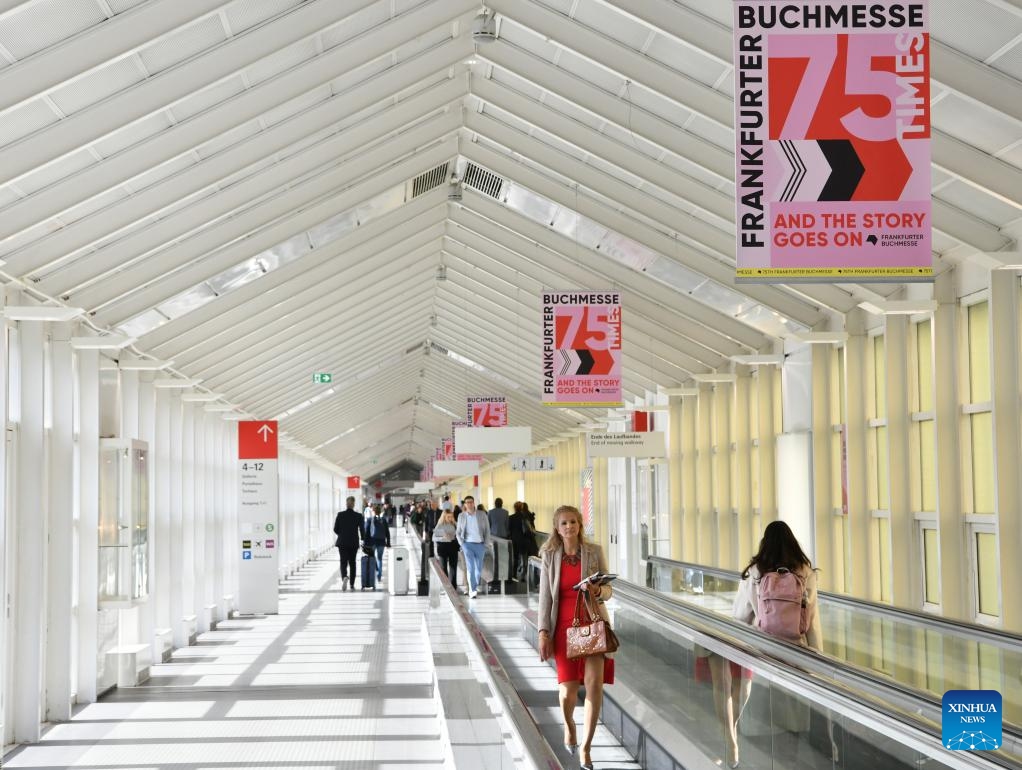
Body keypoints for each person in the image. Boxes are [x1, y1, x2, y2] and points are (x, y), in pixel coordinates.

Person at [732, 520, 823, 767]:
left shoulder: (756, 572)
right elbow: (812, 623)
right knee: (792, 728)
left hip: (764, 657)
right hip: (798, 658)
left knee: (761, 722)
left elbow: (740, 617)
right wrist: (819, 666)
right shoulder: (805, 572)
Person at [537, 505, 613, 770]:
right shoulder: (549, 555)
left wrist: (598, 590)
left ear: (580, 525)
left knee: (594, 686)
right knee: (568, 691)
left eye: (573, 522)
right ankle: (569, 725)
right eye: (564, 523)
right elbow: (545, 596)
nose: (569, 527)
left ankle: (586, 747)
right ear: (557, 529)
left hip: (592, 624)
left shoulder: (594, 552)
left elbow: (609, 590)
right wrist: (543, 632)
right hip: (563, 627)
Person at [455, 495, 490, 598]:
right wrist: (462, 543)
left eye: (471, 502)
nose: (469, 504)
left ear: (474, 503)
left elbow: (487, 530)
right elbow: (458, 532)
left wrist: (486, 544)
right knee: (470, 568)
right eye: (467, 502)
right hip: (467, 544)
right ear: (465, 504)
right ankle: (472, 590)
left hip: (480, 544)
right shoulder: (461, 516)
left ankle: (473, 586)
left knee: (478, 569)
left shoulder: (482, 514)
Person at [332, 496, 365, 592]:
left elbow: (335, 529)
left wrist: (342, 535)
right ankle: (351, 584)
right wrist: (363, 539)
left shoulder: (340, 515)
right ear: (353, 504)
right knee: (352, 563)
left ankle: (344, 577)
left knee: (343, 561)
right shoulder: (358, 516)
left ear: (346, 504)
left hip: (342, 542)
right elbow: (362, 530)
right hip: (353, 542)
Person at [432, 508, 460, 589]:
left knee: (453, 567)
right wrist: (443, 537)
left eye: (451, 517)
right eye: (448, 517)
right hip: (442, 547)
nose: (450, 518)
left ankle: (453, 586)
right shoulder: (440, 525)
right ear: (444, 517)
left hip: (453, 546)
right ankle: (446, 586)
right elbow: (434, 538)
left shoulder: (454, 524)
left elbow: (459, 534)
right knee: (443, 568)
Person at [364, 504, 390, 582]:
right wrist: (388, 542)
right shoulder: (383, 520)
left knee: (372, 557)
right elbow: (387, 532)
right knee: (380, 558)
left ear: (373, 511)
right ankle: (379, 575)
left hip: (372, 542)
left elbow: (366, 532)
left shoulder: (369, 519)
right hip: (381, 541)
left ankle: (376, 569)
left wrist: (365, 543)